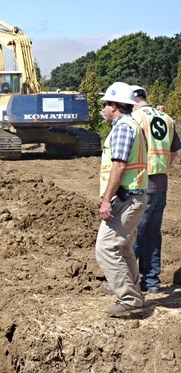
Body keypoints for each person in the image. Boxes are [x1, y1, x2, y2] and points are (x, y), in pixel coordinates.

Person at [95, 82, 148, 317]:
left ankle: (128, 299)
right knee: (124, 247)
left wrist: (106, 200)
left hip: (128, 197)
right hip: (132, 196)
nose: (103, 110)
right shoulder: (130, 125)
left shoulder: (123, 128)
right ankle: (133, 292)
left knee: (106, 247)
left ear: (114, 106)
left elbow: (119, 165)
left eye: (105, 105)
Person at [130, 85, 180, 294]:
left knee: (134, 233)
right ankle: (151, 282)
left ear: (133, 101)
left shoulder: (135, 119)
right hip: (161, 182)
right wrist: (163, 168)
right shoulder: (166, 118)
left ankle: (127, 281)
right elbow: (175, 149)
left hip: (141, 182)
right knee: (152, 233)